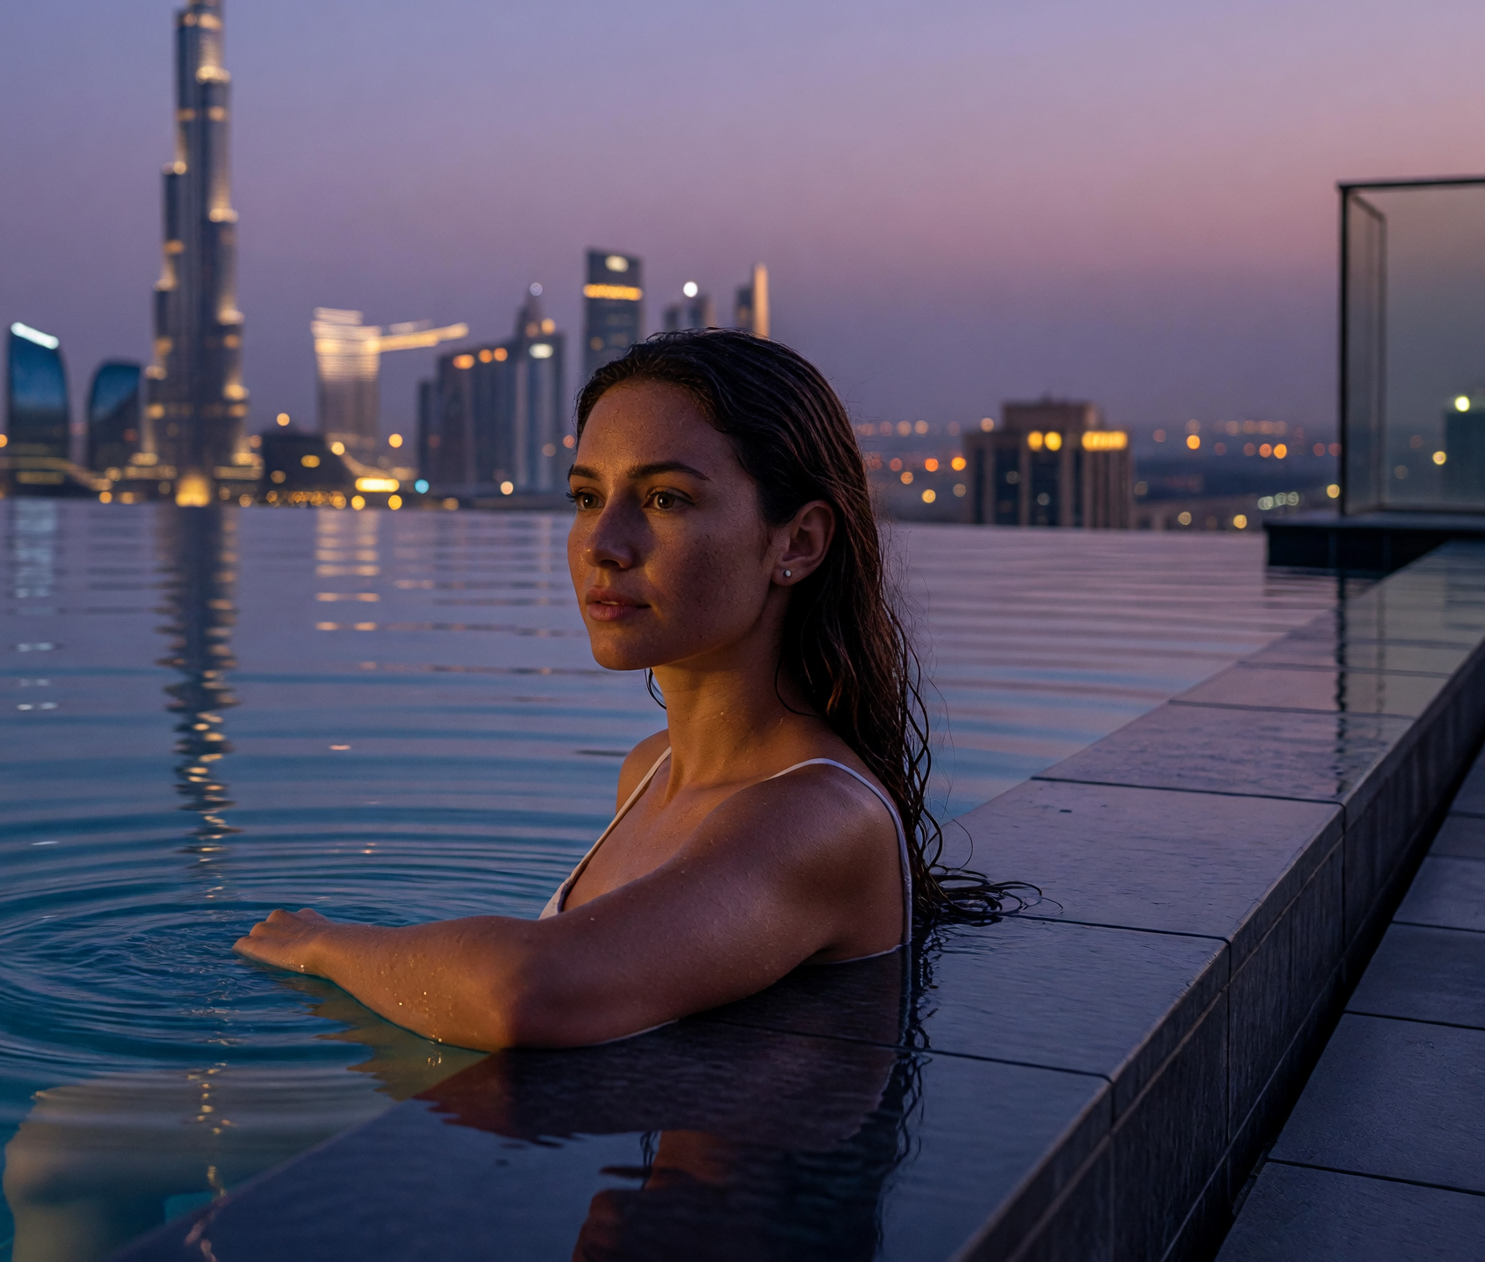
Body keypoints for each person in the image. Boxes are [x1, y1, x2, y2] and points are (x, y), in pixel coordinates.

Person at [235, 330, 1011, 1049]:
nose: (603, 545)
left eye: (665, 499)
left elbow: (529, 991)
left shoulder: (818, 818)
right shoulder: (649, 770)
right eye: (585, 498)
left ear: (797, 543)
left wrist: (325, 945)